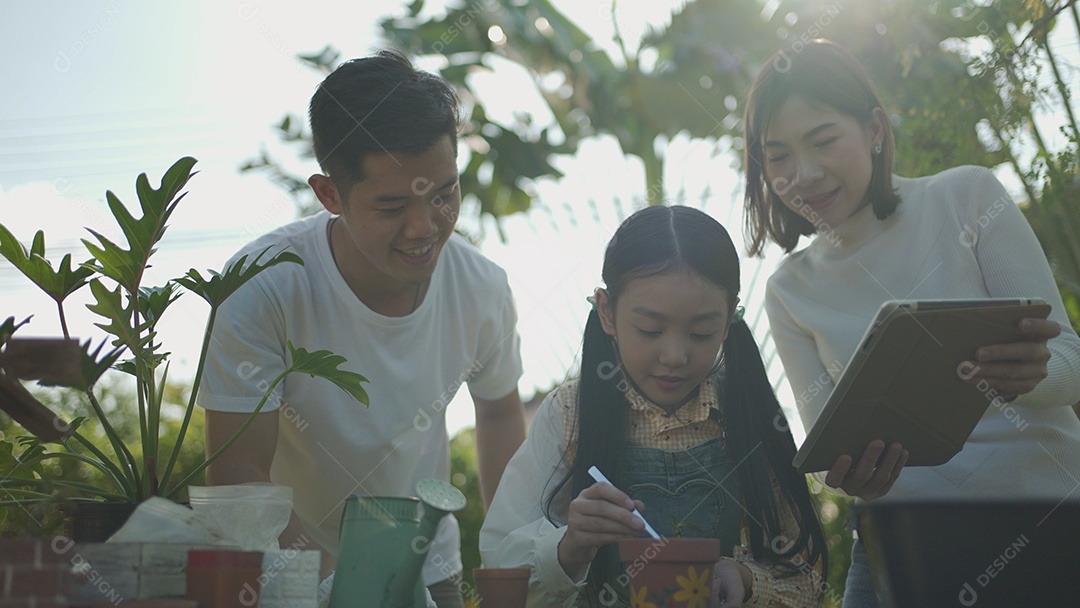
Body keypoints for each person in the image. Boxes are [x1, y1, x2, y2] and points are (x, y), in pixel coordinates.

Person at [743, 39, 1080, 607]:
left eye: (823, 141)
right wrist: (849, 474)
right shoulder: (788, 290)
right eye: (778, 158)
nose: (804, 174)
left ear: (874, 129)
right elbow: (825, 454)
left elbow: (1071, 361)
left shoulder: (966, 196)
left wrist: (1031, 375)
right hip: (909, 538)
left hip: (1045, 513)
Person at [197, 50, 527, 608]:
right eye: (392, 206)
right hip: (290, 570)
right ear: (330, 194)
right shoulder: (263, 284)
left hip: (426, 568)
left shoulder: (483, 288)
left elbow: (497, 412)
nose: (424, 227)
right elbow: (237, 470)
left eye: (443, 194)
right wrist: (340, 584)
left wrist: (506, 557)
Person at [479, 205, 828, 607]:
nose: (674, 356)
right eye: (650, 330)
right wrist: (569, 547)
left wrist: (745, 579)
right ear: (607, 312)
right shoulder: (570, 414)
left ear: (729, 317)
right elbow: (500, 568)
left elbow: (807, 576)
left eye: (701, 332)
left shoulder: (745, 415)